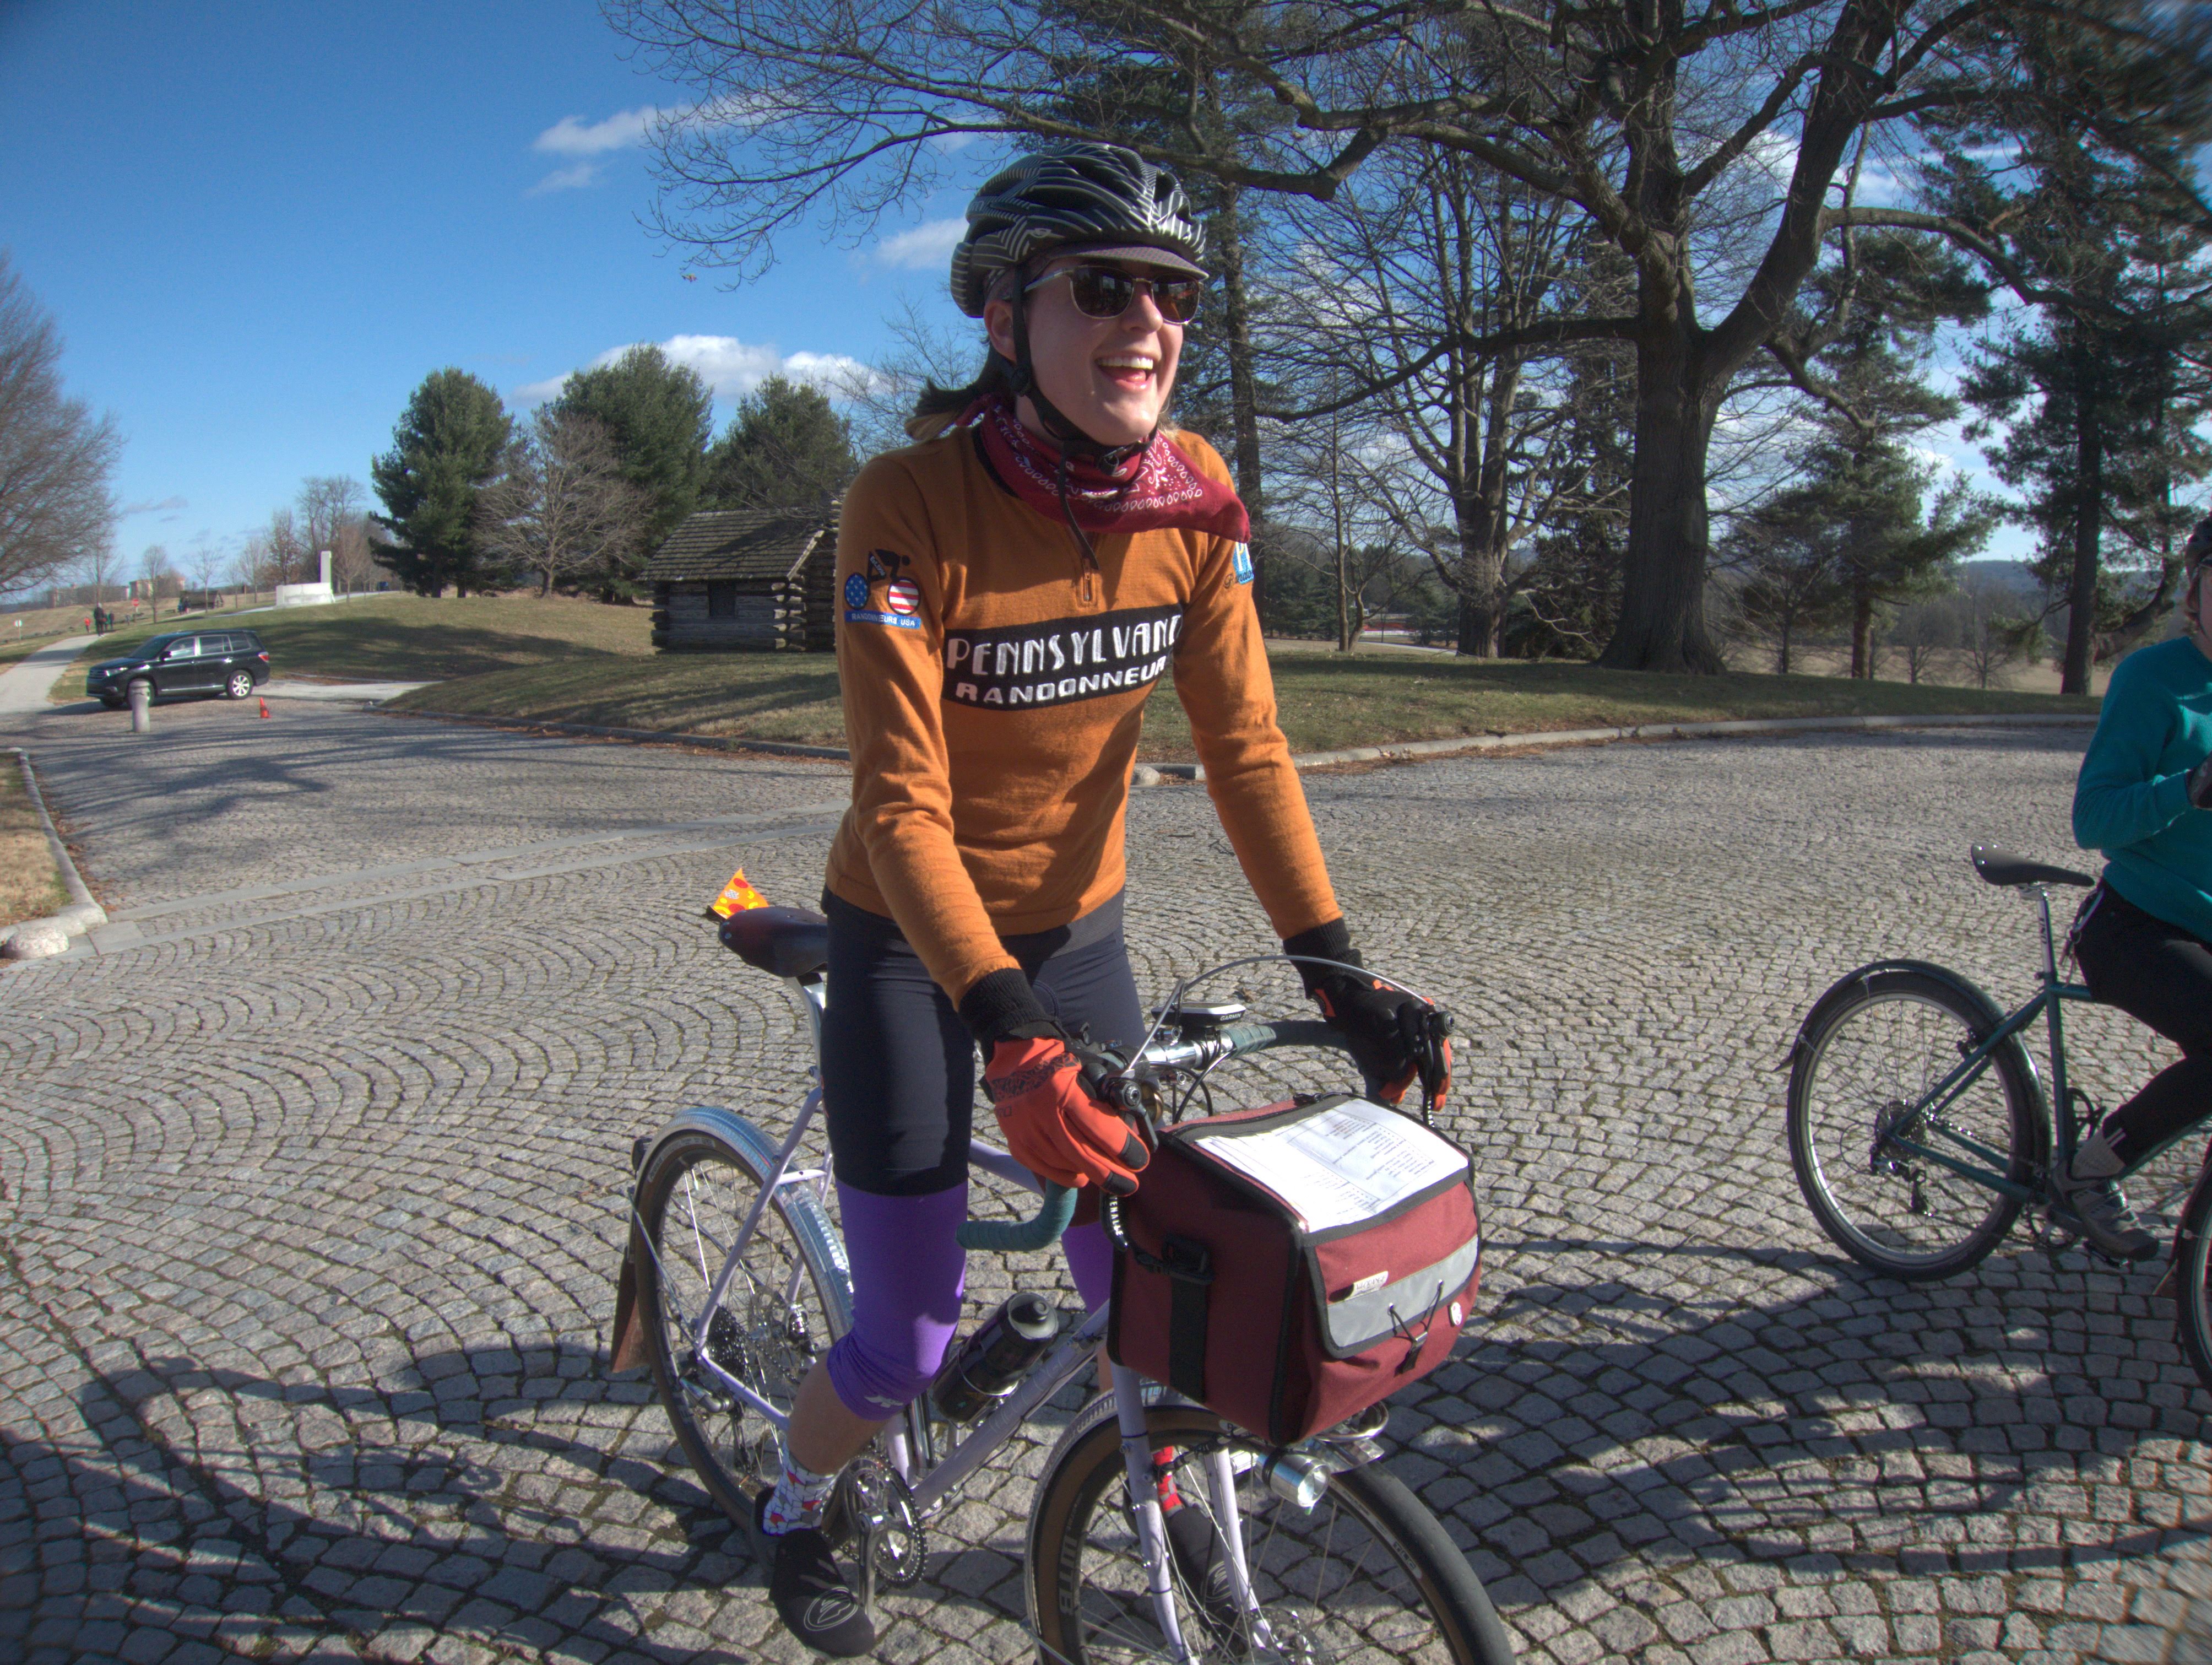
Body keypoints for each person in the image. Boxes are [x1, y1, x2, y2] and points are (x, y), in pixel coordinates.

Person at [750, 141, 1452, 1656]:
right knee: (906, 1329)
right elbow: (901, 799)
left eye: (1175, 294)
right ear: (1003, 318)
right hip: (908, 943)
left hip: (1077, 934)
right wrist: (1007, 1033)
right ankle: (795, 1504)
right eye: (1105, 287)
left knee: (1147, 1270)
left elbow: (1249, 750)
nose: (1149, 320)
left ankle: (1173, 1504)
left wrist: (1341, 974)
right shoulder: (906, 502)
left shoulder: (1195, 500)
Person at [2066, 513, 2212, 1262]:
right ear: (2196, 593)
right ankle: (2094, 1167)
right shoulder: (2154, 680)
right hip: (2136, 923)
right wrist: (2185, 788)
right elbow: (2094, 818)